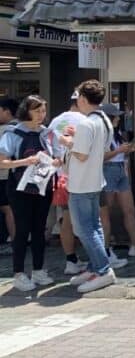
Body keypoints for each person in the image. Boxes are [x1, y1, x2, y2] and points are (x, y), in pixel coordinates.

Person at [60, 81, 116, 294]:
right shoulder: (104, 120)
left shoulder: (86, 123)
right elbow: (98, 149)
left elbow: (82, 155)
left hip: (81, 183)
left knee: (84, 229)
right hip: (95, 181)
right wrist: (76, 138)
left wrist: (67, 142)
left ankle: (102, 270)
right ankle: (96, 267)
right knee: (94, 227)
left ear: (83, 98)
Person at [0, 95, 56, 292]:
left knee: (39, 229)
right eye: (37, 111)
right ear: (27, 111)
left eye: (43, 111)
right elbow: (2, 162)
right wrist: (25, 161)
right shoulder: (13, 133)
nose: (41, 115)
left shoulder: (47, 133)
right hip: (19, 188)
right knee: (22, 229)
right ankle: (19, 273)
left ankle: (39, 270)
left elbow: (57, 156)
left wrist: (55, 161)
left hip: (42, 185)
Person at [100, 103, 135, 262]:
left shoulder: (115, 133)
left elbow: (118, 153)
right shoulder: (101, 133)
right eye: (116, 116)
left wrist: (129, 149)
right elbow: (100, 157)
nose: (118, 118)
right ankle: (105, 250)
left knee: (129, 209)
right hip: (108, 170)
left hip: (119, 169)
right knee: (106, 213)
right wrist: (120, 150)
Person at [46, 99, 88, 276]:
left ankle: (71, 260)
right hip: (81, 176)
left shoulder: (55, 121)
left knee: (66, 218)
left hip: (60, 176)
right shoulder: (84, 121)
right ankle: (96, 260)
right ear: (81, 101)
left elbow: (48, 147)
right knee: (87, 219)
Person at [0, 97, 19, 254]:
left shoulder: (5, 130)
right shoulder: (23, 127)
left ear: (7, 111)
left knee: (8, 209)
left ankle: (15, 242)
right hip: (19, 175)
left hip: (4, 175)